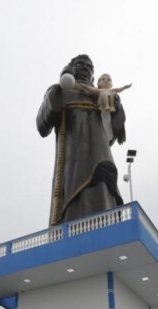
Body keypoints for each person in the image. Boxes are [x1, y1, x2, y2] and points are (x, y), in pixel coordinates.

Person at [37, 54, 127, 227]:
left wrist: (116, 107)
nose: (85, 68)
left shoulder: (100, 95)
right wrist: (56, 94)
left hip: (101, 155)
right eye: (80, 64)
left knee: (103, 190)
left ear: (93, 75)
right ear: (71, 69)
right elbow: (42, 125)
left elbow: (113, 133)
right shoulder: (62, 90)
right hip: (75, 161)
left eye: (89, 67)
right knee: (76, 200)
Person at [76, 74, 132, 141]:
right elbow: (91, 90)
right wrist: (84, 86)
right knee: (104, 94)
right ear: (98, 84)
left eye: (109, 80)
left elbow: (120, 89)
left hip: (110, 108)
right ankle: (107, 106)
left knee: (112, 94)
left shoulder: (112, 91)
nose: (106, 81)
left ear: (111, 84)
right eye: (103, 79)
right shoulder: (99, 91)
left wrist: (125, 87)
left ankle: (111, 106)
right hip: (102, 105)